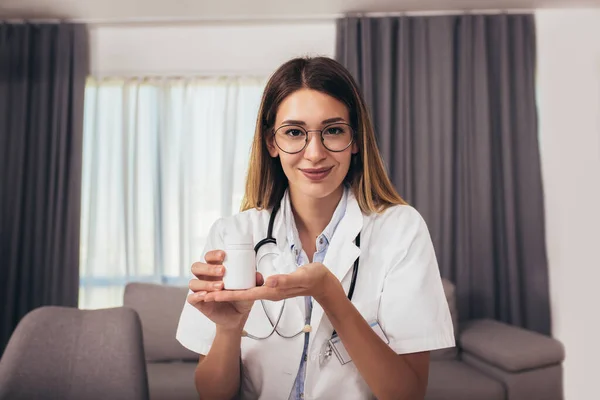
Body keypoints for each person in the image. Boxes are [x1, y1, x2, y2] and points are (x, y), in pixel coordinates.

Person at [176, 56, 455, 400]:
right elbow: (212, 395)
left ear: (356, 141)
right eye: (294, 132)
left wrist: (330, 296)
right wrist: (228, 328)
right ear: (271, 143)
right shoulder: (233, 235)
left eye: (333, 130)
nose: (314, 153)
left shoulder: (401, 229)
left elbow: (407, 394)